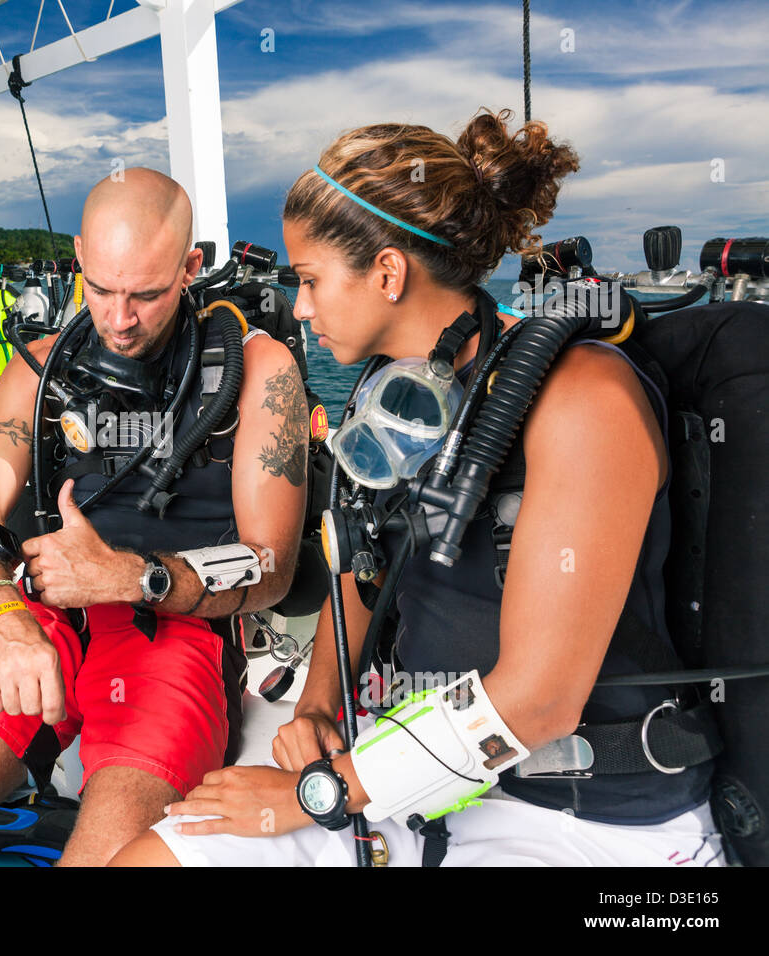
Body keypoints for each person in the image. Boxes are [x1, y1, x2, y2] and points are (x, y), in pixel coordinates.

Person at [113, 109, 726, 867]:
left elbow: (540, 699)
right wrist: (315, 707)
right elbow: (365, 563)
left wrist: (322, 793)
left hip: (580, 817)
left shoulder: (582, 399)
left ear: (389, 273)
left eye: (308, 280)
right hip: (400, 776)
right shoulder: (390, 397)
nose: (298, 307)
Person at [0, 168, 311, 866]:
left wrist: (135, 576)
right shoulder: (38, 370)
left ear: (190, 268)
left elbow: (272, 566)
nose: (119, 320)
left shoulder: (260, 371)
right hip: (48, 618)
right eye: (101, 289)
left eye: (147, 295)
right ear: (78, 260)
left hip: (177, 638)